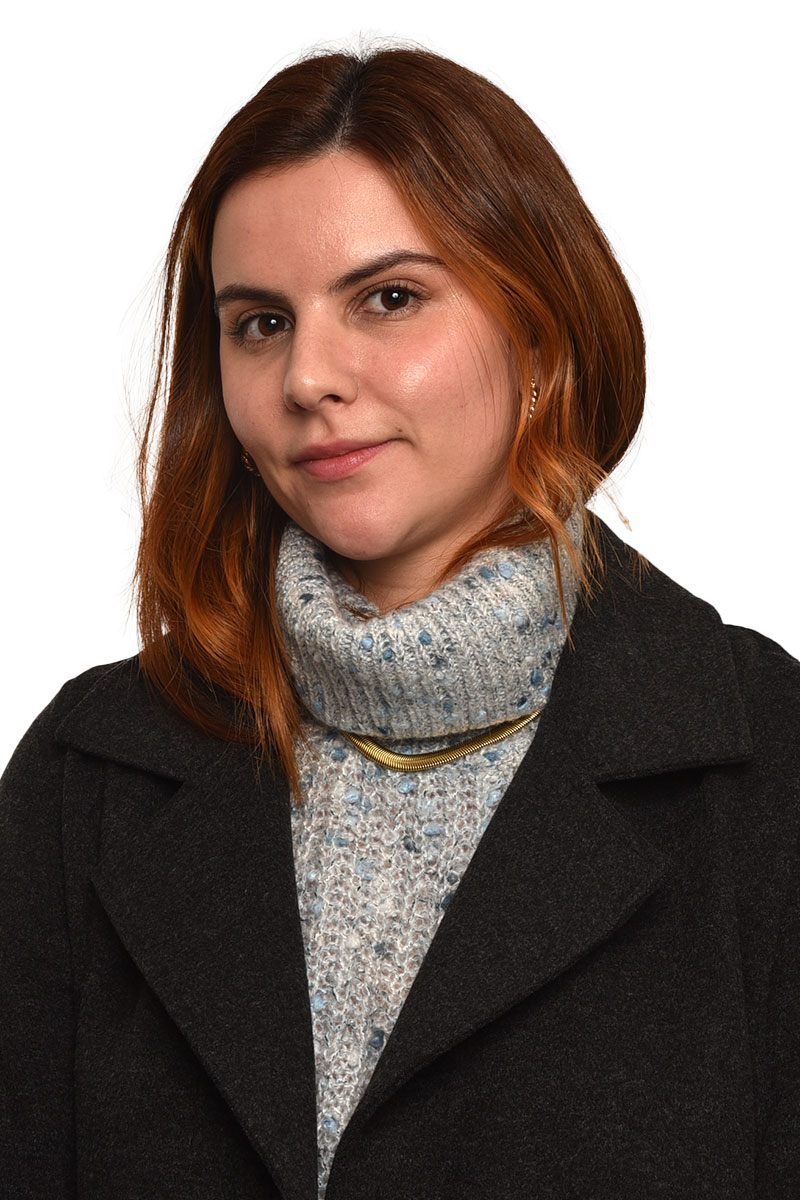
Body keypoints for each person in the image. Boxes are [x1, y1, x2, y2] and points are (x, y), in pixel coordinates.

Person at [1, 46, 798, 1200]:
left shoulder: (766, 767)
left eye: (387, 299)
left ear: (539, 331)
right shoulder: (92, 773)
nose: (307, 377)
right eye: (259, 323)